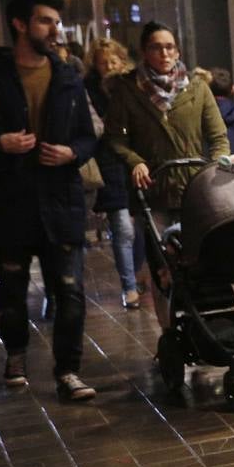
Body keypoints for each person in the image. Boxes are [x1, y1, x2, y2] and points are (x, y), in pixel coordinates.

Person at [0, 0, 98, 400]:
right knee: (13, 289)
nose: (56, 30)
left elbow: (89, 137)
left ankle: (68, 372)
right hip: (10, 202)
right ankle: (16, 354)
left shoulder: (68, 74)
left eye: (56, 22)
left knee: (70, 290)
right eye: (46, 21)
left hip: (61, 200)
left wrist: (73, 152)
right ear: (20, 24)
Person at [105, 21, 228, 326]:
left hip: (195, 190)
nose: (164, 53)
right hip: (154, 190)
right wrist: (134, 161)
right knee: (163, 268)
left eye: (169, 46)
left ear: (178, 50)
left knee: (197, 263)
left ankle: (203, 327)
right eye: (156, 47)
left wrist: (217, 165)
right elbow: (115, 138)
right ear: (145, 52)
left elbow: (218, 137)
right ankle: (170, 332)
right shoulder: (128, 90)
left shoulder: (197, 88)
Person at [84, 37, 139, 309]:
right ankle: (129, 286)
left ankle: (140, 276)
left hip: (136, 162)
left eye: (112, 61)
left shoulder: (132, 85)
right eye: (102, 62)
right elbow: (95, 129)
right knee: (123, 228)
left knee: (141, 227)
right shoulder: (88, 90)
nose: (108, 66)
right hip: (109, 164)